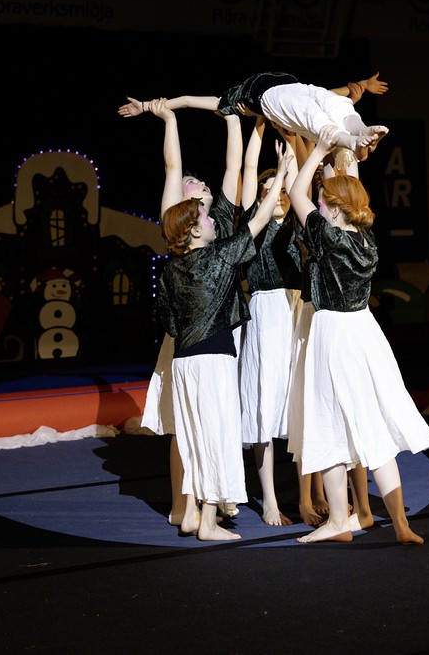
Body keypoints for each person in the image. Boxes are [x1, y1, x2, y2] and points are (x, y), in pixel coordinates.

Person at [287, 125, 429, 545]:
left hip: (334, 332)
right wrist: (349, 152)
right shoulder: (368, 241)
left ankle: (339, 521)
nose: (318, 205)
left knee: (328, 423)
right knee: (372, 428)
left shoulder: (327, 236)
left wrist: (318, 151)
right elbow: (345, 187)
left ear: (335, 210)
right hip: (365, 333)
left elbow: (297, 192)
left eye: (324, 202)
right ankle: (401, 524)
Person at [157, 140, 292, 542]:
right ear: (195, 230)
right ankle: (209, 521)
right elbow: (260, 218)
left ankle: (189, 513)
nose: (213, 219)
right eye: (205, 217)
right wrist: (281, 175)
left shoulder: (169, 270)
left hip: (183, 363)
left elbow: (167, 320)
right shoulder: (219, 258)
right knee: (217, 435)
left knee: (193, 437)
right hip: (214, 360)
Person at [134, 98, 244, 533]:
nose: (197, 183)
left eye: (200, 181)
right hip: (186, 338)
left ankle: (208, 501)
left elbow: (234, 167)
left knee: (210, 421)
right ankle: (187, 507)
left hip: (218, 330)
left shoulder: (219, 221)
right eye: (190, 183)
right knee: (186, 423)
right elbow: (172, 166)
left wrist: (234, 119)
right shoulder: (179, 225)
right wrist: (168, 118)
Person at [237, 117, 302, 526]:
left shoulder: (298, 226)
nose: (276, 195)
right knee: (263, 405)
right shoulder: (255, 228)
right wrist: (260, 126)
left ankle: (311, 496)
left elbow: (298, 178)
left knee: (300, 405)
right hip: (265, 315)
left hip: (296, 312)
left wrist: (289, 135)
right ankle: (271, 500)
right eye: (268, 191)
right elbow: (248, 171)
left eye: (280, 190)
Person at [118, 71, 389, 156]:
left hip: (298, 87)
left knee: (336, 104)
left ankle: (360, 130)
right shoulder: (231, 104)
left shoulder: (229, 100)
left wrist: (361, 85)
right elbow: (188, 101)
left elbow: (330, 94)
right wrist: (146, 106)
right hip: (269, 99)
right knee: (315, 118)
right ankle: (352, 141)